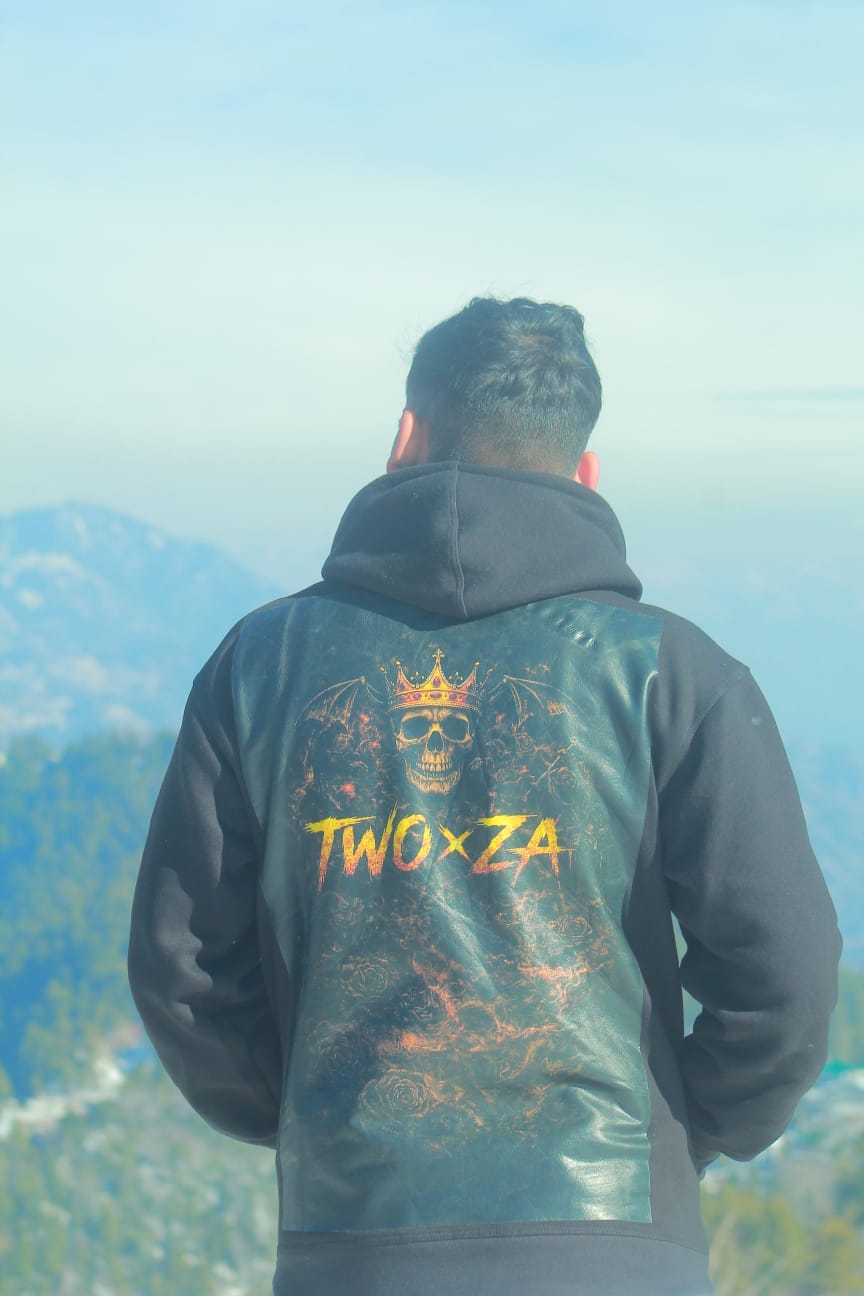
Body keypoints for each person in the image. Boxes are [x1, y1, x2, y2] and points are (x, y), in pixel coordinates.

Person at [128, 297, 841, 1296]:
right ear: (586, 471)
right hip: (617, 1244)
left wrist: (307, 1115)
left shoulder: (259, 665)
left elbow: (184, 965)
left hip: (352, 1243)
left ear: (405, 437)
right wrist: (675, 1138)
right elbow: (785, 973)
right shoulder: (671, 671)